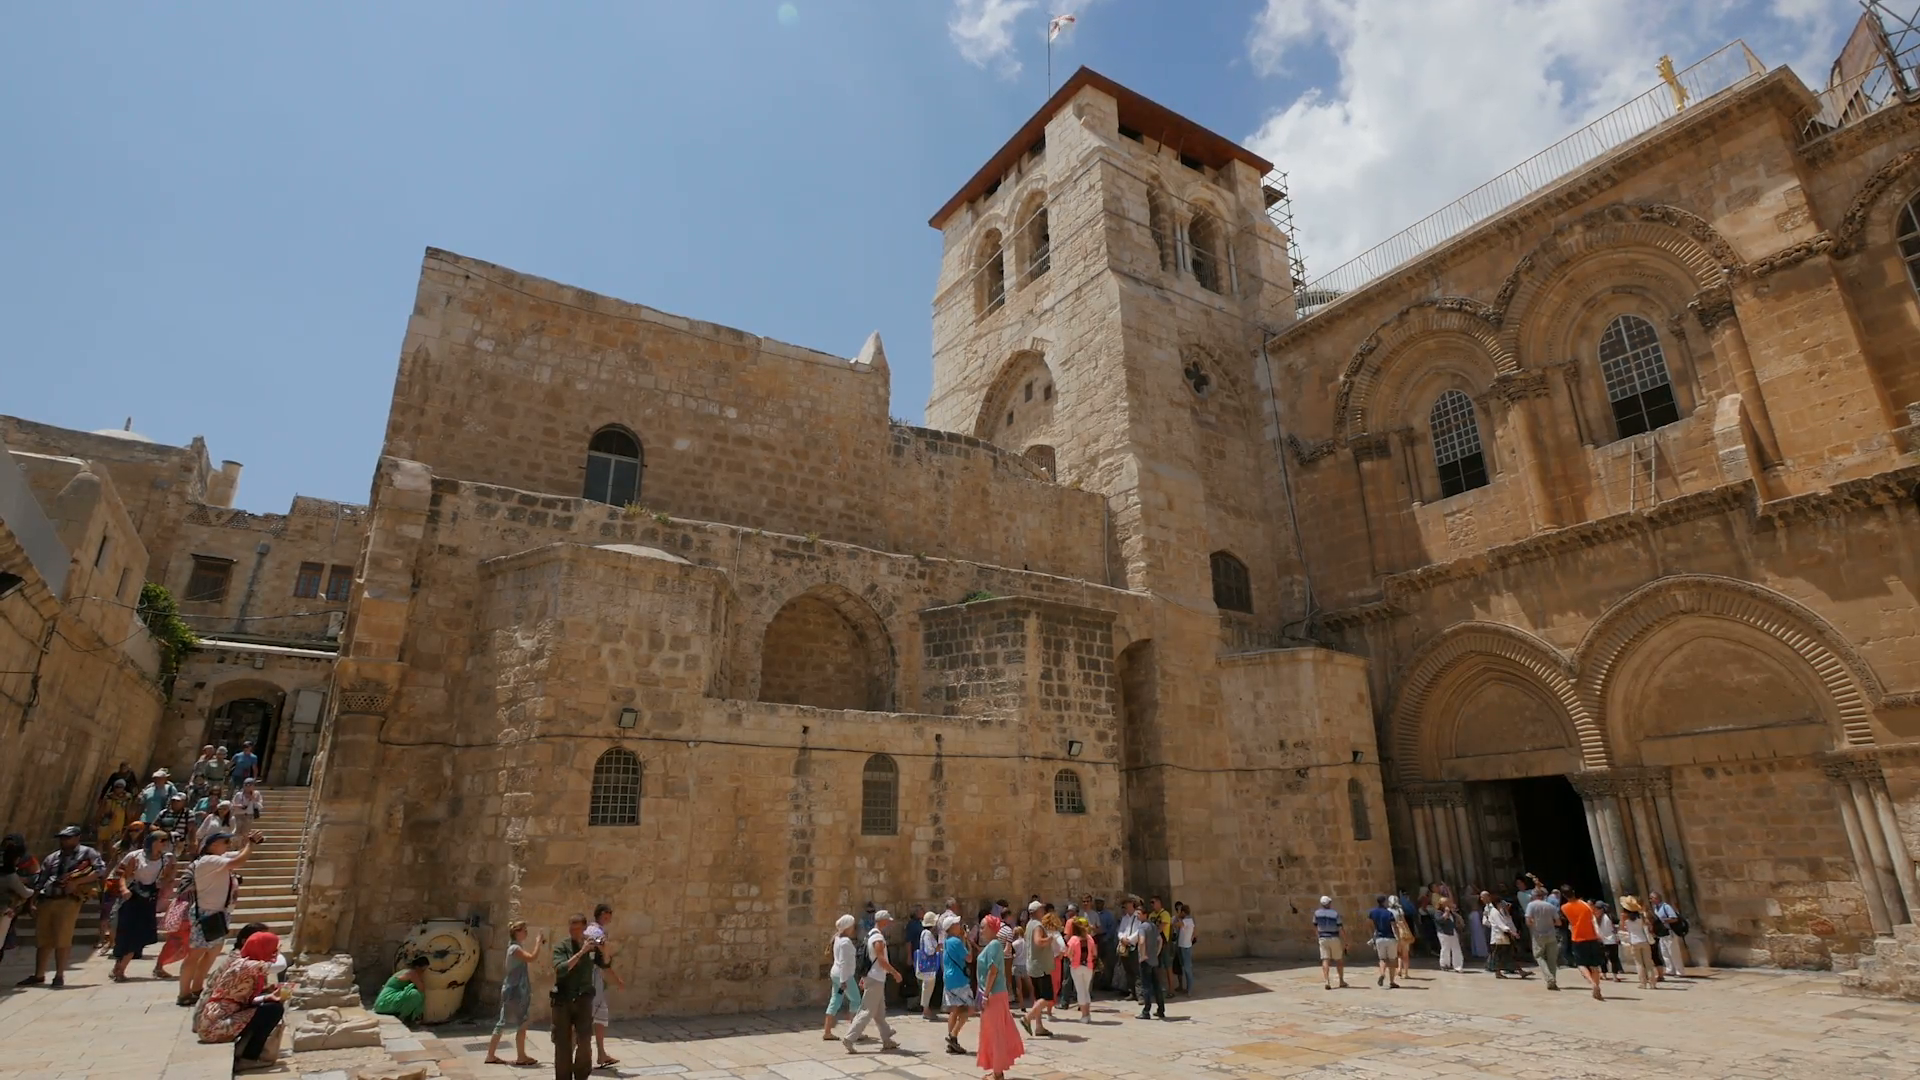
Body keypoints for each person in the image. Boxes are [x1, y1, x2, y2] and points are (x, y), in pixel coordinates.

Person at [179, 829, 263, 1007]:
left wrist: (252, 842)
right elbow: (239, 860)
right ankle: (184, 993)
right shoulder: (209, 860)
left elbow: (239, 854)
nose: (228, 845)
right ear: (213, 845)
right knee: (195, 955)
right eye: (225, 842)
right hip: (206, 914)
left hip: (219, 913)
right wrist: (251, 844)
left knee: (211, 954)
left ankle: (197, 988)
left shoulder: (218, 857)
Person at [16, 825, 103, 987]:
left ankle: (59, 974)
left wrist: (77, 882)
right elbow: (41, 879)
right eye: (62, 838)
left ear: (77, 838)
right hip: (47, 898)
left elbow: (99, 870)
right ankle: (39, 974)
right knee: (43, 938)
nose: (64, 841)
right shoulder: (52, 857)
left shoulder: (87, 853)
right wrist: (33, 900)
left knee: (62, 937)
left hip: (68, 899)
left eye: (67, 838)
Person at [196, 929, 288, 1070]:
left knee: (270, 1006)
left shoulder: (246, 963)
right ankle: (249, 1057)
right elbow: (281, 965)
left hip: (218, 1021)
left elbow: (241, 1000)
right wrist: (278, 953)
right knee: (273, 1010)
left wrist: (267, 996)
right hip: (215, 1026)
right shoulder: (245, 965)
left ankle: (247, 1051)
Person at [110, 829, 173, 981]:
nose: (164, 844)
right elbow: (123, 876)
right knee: (128, 934)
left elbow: (167, 878)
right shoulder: (136, 856)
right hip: (133, 896)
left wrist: (163, 884)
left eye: (166, 841)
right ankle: (120, 969)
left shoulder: (165, 860)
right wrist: (124, 889)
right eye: (161, 840)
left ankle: (119, 968)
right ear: (152, 841)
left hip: (148, 898)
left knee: (140, 935)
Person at [551, 914, 606, 1080]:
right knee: (563, 1044)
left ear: (584, 928)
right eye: (571, 928)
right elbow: (561, 969)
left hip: (583, 999)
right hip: (563, 1000)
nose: (574, 931)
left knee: (584, 1041)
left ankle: (582, 1076)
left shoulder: (591, 947)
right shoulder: (562, 946)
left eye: (578, 928)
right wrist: (582, 952)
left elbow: (606, 964)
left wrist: (604, 948)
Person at [841, 908, 900, 1053]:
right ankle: (849, 1038)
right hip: (876, 978)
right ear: (883, 921)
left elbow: (868, 959)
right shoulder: (878, 938)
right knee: (866, 1011)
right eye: (888, 921)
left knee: (879, 1011)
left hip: (872, 977)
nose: (889, 924)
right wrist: (894, 973)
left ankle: (886, 1039)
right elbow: (880, 959)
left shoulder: (870, 935)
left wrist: (863, 977)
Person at [973, 916, 1025, 1080]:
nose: (980, 931)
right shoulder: (992, 946)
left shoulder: (994, 945)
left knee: (995, 1033)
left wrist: (986, 994)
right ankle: (997, 1069)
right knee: (992, 1032)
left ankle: (998, 1073)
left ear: (991, 928)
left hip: (994, 995)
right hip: (991, 994)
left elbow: (993, 971)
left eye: (983, 927)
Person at [485, 920, 542, 1066]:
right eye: (524, 930)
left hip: (516, 990)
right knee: (509, 1022)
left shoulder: (515, 947)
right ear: (517, 932)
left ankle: (517, 1055)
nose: (526, 932)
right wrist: (538, 943)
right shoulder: (515, 949)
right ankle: (511, 1056)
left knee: (518, 1022)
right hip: (514, 991)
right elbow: (532, 958)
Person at [587, 904, 626, 1067]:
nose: (609, 917)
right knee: (590, 1015)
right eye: (608, 914)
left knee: (599, 1015)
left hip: (593, 977)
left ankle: (601, 1054)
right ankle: (580, 1055)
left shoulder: (591, 929)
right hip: (591, 978)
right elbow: (603, 957)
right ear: (602, 915)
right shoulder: (596, 931)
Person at [1559, 885, 1605, 1000]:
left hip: (1578, 937)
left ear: (1564, 895)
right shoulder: (1586, 905)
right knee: (1594, 965)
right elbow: (1594, 917)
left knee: (1581, 964)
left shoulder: (1564, 907)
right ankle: (1597, 985)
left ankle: (1592, 984)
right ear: (1574, 892)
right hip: (1592, 936)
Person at [823, 914, 862, 1041]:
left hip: (836, 974)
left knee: (836, 999)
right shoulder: (845, 942)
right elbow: (845, 962)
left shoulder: (838, 939)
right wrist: (844, 981)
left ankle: (827, 1031)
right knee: (856, 1000)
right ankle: (854, 1032)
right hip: (844, 976)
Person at [1020, 902, 1055, 1037]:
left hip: (1032, 965)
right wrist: (1050, 938)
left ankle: (1039, 1027)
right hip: (1041, 966)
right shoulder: (1037, 926)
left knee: (1039, 998)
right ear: (1037, 911)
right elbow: (1038, 941)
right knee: (1047, 997)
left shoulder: (1029, 925)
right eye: (1041, 909)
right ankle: (1027, 1018)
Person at [941, 916, 974, 1055]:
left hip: (949, 978)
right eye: (957, 923)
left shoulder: (947, 941)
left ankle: (952, 1042)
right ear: (952, 927)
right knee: (970, 1009)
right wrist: (967, 941)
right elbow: (969, 958)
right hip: (959, 979)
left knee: (954, 1010)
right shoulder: (956, 941)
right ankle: (953, 1035)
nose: (959, 925)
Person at [1523, 886, 1563, 991]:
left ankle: (1549, 978)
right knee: (1552, 959)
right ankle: (1552, 981)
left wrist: (1534, 925)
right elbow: (1559, 922)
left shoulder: (1531, 905)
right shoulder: (1550, 906)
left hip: (1538, 935)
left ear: (1535, 895)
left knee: (1539, 956)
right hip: (1551, 934)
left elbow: (1528, 921)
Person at [372, 955, 431, 1023]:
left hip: (382, 1004)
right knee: (414, 994)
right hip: (385, 1001)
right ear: (417, 967)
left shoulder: (407, 971)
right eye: (422, 970)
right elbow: (421, 988)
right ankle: (406, 1017)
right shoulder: (412, 973)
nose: (423, 972)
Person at [1135, 904, 1168, 1019]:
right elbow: (1160, 940)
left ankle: (1146, 1011)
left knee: (1146, 986)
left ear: (1145, 914)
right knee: (1157, 986)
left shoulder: (1143, 927)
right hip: (1154, 960)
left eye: (1139, 914)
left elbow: (1142, 941)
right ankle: (1161, 1009)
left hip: (1146, 961)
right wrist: (1157, 953)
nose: (1137, 916)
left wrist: (1143, 955)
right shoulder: (1153, 926)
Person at [1621, 897, 1658, 988]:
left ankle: (1643, 983)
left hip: (1634, 942)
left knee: (1639, 963)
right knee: (1648, 962)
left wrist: (1622, 919)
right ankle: (1652, 982)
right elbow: (1649, 926)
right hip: (1644, 940)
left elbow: (1622, 929)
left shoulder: (1626, 921)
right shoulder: (1641, 919)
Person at [1312, 895, 1347, 990]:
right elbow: (1340, 927)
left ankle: (1327, 981)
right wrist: (1345, 940)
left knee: (1325, 959)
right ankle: (1341, 980)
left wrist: (1318, 936)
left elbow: (1315, 926)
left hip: (1323, 937)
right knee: (1339, 960)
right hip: (1334, 937)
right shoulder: (1335, 913)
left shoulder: (1317, 913)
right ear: (1329, 904)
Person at [1365, 895, 1400, 989]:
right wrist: (1398, 937)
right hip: (1390, 938)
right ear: (1384, 902)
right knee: (1392, 960)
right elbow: (1394, 926)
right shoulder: (1388, 913)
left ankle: (1382, 973)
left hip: (1379, 938)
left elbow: (1368, 923)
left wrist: (1372, 934)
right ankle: (1392, 981)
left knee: (1382, 959)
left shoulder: (1372, 912)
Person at [1650, 891, 1686, 977]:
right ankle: (1670, 970)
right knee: (1665, 952)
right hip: (1662, 933)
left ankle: (1679, 971)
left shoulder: (1666, 907)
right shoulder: (1656, 908)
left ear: (1657, 898)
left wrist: (1663, 921)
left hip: (1669, 932)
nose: (1650, 900)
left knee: (1674, 952)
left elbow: (1674, 918)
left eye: (1652, 898)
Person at [1065, 916, 1094, 1020]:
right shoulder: (1090, 938)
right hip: (1089, 966)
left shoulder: (1073, 939)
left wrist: (1072, 958)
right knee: (1086, 990)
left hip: (1076, 966)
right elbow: (1094, 952)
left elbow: (1069, 954)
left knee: (1080, 991)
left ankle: (1084, 1015)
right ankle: (1088, 1014)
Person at [915, 909, 942, 1019]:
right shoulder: (927, 934)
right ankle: (926, 1010)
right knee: (928, 987)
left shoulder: (925, 933)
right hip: (928, 966)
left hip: (928, 966)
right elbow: (929, 950)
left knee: (927, 987)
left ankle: (926, 1009)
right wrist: (937, 948)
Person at [1115, 898, 1143, 998]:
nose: (1125, 907)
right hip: (1124, 946)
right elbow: (1120, 930)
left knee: (1137, 971)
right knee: (1128, 970)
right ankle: (1132, 992)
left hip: (1133, 946)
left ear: (1132, 904)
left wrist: (1129, 940)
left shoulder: (1138, 916)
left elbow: (1139, 931)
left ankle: (1140, 994)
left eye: (1127, 904)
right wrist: (1122, 938)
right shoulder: (1125, 918)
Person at [1595, 900, 1624, 982]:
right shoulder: (1610, 916)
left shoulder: (1595, 918)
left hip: (1601, 940)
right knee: (1613, 959)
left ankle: (1604, 974)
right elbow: (1618, 924)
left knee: (1603, 958)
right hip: (1611, 940)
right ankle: (1615, 976)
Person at [1387, 894, 1414, 980]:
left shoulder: (1387, 911)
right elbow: (1404, 922)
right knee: (1405, 954)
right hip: (1402, 933)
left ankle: (1398, 970)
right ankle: (1405, 972)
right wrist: (1409, 932)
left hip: (1393, 934)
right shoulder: (1400, 910)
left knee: (1397, 954)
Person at [1174, 901, 1196, 994]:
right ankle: (1187, 988)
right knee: (1183, 967)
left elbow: (1177, 924)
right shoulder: (1187, 920)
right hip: (1182, 946)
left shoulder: (1187, 920)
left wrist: (1178, 915)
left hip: (1185, 947)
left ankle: (1190, 989)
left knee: (1187, 968)